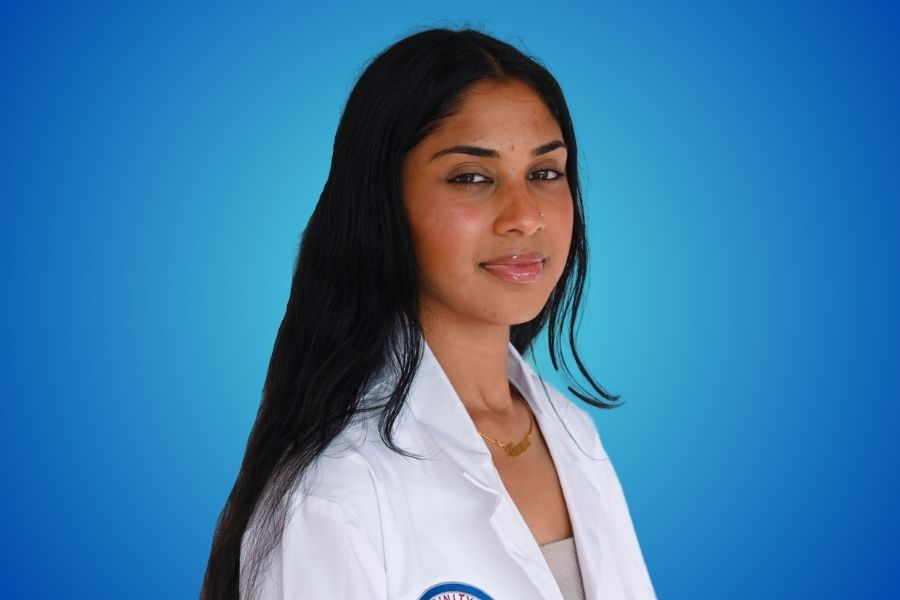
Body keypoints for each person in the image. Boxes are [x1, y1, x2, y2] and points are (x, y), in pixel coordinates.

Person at [200, 27, 655, 600]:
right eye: (472, 178)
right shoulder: (338, 488)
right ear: (382, 203)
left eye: (544, 173)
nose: (525, 217)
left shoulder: (572, 434)